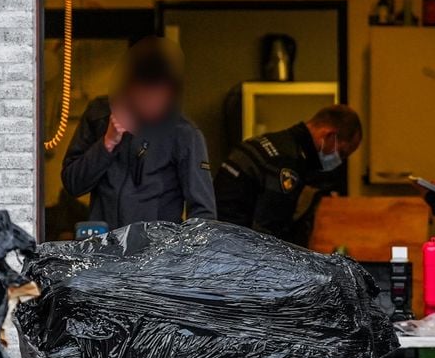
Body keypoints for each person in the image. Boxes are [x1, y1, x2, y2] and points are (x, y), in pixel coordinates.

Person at [61, 37, 216, 228]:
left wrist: (182, 254)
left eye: (161, 95)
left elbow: (203, 213)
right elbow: (72, 184)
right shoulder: (99, 115)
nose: (153, 102)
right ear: (130, 89)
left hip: (157, 250)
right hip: (104, 246)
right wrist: (107, 143)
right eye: (146, 94)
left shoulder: (184, 133)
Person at [214, 104, 362, 243]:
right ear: (329, 136)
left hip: (217, 244)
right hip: (234, 252)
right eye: (341, 153)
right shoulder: (286, 164)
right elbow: (267, 233)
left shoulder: (271, 144)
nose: (339, 161)